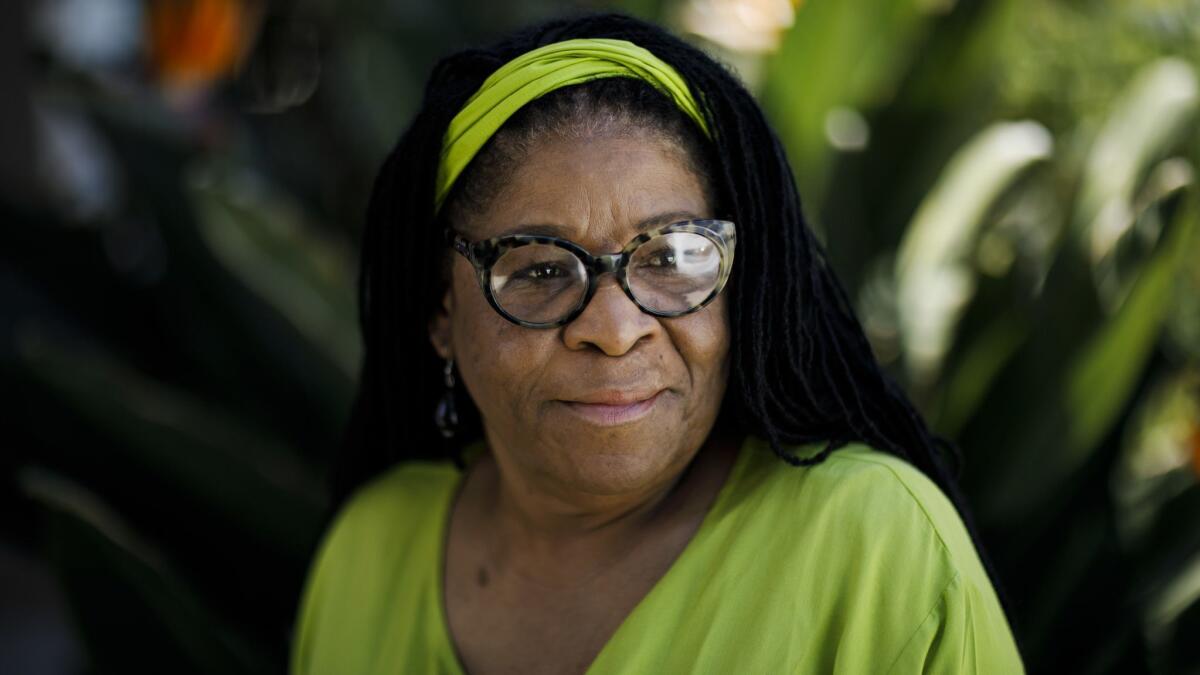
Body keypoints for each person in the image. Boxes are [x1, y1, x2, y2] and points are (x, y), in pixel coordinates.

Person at [290, 12, 1024, 674]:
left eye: (672, 257)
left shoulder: (875, 548)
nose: (614, 331)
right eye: (542, 268)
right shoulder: (371, 550)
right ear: (442, 311)